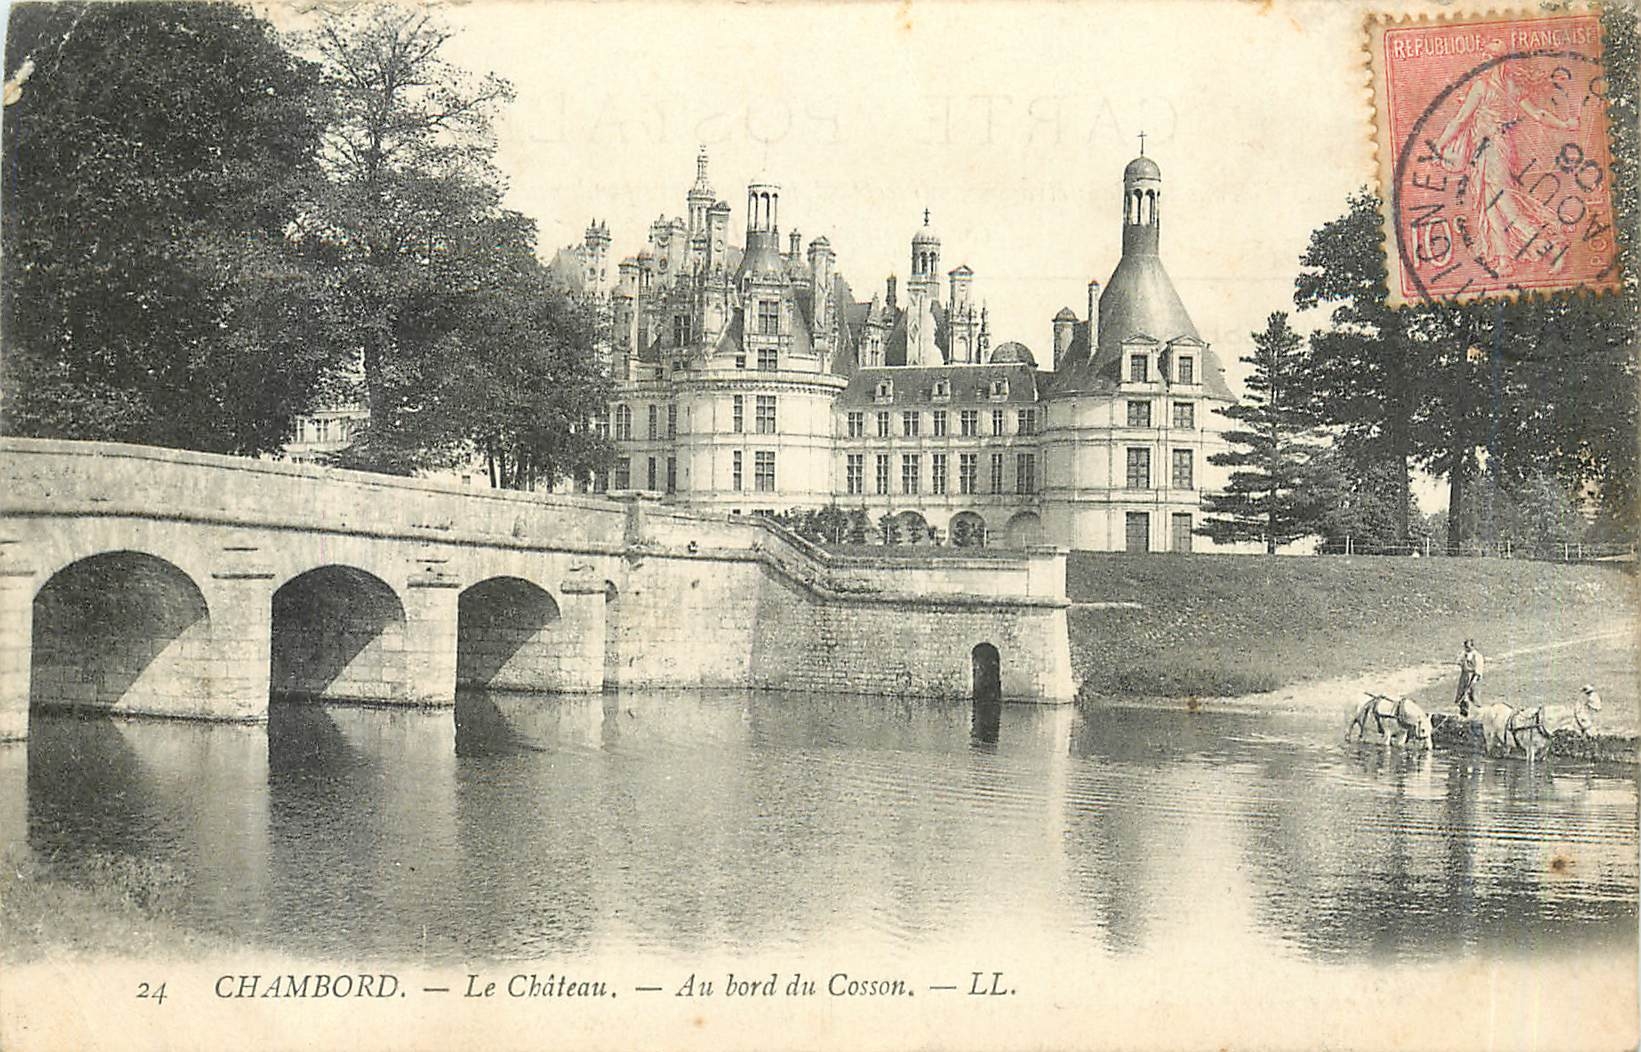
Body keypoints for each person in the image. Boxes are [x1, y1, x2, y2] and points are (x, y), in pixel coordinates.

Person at [1454, 639, 1484, 717]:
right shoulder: (1464, 654)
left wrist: (1473, 681)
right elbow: (1458, 662)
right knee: (1461, 695)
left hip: (1473, 678)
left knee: (1474, 696)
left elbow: (1478, 670)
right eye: (1465, 647)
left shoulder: (1477, 656)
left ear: (1472, 646)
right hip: (1464, 677)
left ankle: (1477, 716)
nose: (1466, 649)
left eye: (1468, 647)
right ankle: (1463, 715)